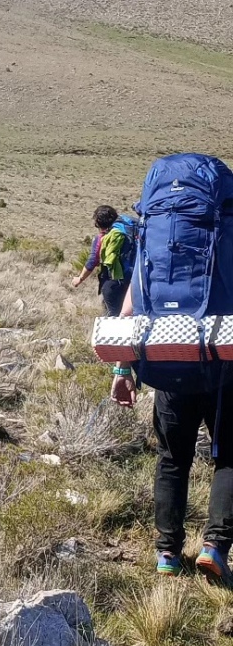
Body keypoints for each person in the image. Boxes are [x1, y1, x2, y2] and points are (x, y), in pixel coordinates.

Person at [110, 153, 233, 583]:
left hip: (170, 353)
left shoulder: (155, 235)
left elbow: (133, 300)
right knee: (230, 457)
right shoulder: (225, 229)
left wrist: (122, 370)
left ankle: (166, 553)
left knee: (172, 457)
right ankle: (215, 548)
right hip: (224, 362)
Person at [72, 205, 135, 316]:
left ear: (98, 223)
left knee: (112, 317)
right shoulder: (130, 229)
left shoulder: (103, 237)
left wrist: (80, 278)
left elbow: (92, 261)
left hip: (114, 283)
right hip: (135, 281)